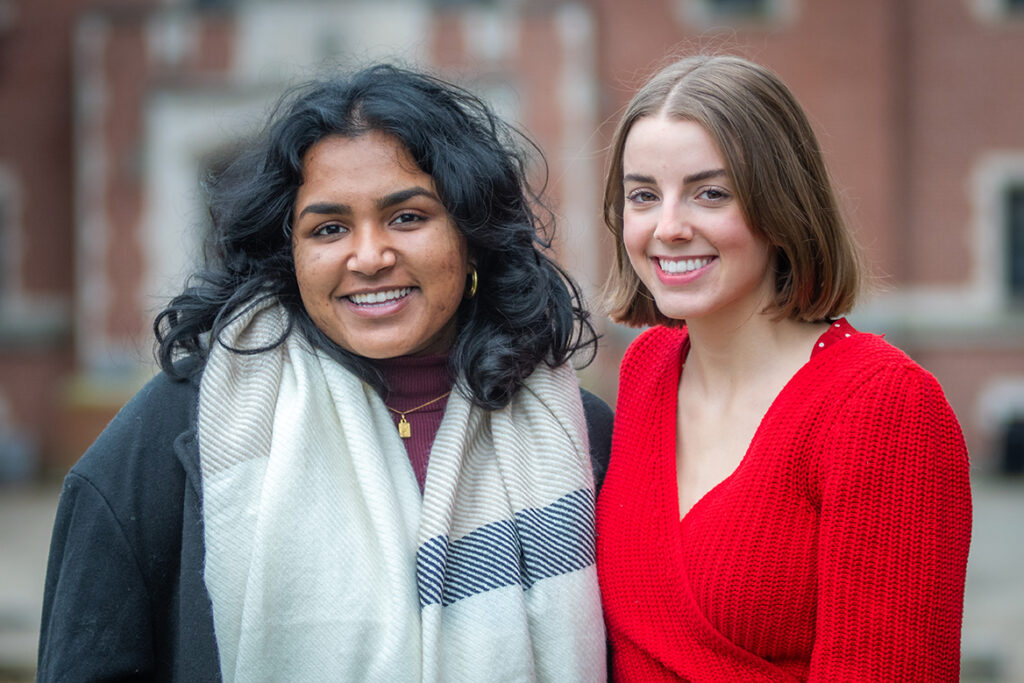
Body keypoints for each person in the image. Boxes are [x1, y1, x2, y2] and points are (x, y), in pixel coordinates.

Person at [38, 63, 611, 682]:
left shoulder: (582, 437)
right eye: (330, 228)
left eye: (407, 217)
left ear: (472, 234)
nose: (369, 257)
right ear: (290, 255)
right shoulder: (173, 436)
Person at [595, 54, 971, 681]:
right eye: (642, 195)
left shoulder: (884, 409)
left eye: (710, 193)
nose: (668, 227)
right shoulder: (645, 369)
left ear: (782, 206)